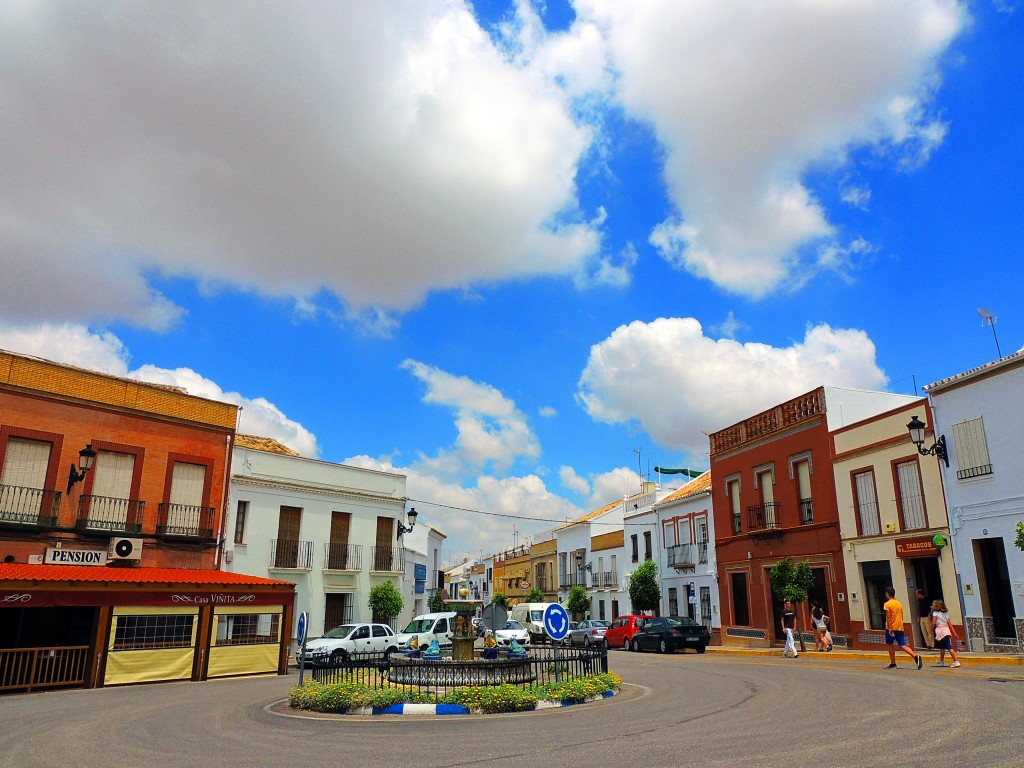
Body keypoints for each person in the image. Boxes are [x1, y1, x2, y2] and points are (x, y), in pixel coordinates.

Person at [883, 587, 922, 669]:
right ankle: (915, 656)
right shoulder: (899, 603)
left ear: (888, 594)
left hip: (891, 627)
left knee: (890, 645)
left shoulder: (887, 604)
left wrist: (890, 629)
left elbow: (888, 617)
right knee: (902, 645)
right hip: (900, 627)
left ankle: (893, 662)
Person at [931, 600, 961, 668]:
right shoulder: (946, 614)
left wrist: (930, 629)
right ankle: (941, 661)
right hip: (946, 630)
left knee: (949, 647)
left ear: (936, 606)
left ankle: (956, 661)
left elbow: (933, 623)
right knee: (942, 647)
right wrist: (954, 633)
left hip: (941, 631)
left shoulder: (935, 613)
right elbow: (950, 625)